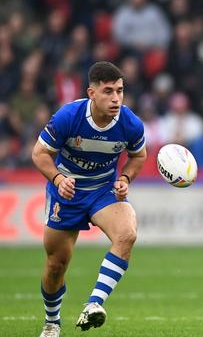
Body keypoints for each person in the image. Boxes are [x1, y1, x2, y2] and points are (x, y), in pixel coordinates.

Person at [32, 61, 146, 337]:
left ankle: (94, 304)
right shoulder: (68, 117)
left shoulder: (130, 123)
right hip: (67, 193)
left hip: (102, 191)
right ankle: (52, 321)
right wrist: (59, 179)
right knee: (56, 265)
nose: (116, 98)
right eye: (108, 91)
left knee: (127, 234)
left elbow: (138, 156)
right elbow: (39, 154)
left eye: (120, 90)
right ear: (91, 93)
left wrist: (124, 179)